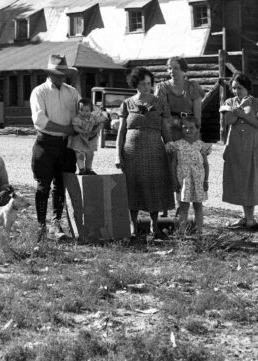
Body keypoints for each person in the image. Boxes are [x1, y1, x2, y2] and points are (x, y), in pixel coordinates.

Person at [116, 66, 176, 240]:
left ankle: (154, 226)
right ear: (135, 84)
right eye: (142, 83)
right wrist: (117, 155)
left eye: (149, 83)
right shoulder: (127, 103)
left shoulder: (159, 102)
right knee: (132, 188)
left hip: (155, 152)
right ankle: (133, 227)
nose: (146, 87)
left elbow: (165, 128)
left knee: (155, 187)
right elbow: (121, 132)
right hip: (132, 152)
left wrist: (170, 147)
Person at [30, 53, 80, 240]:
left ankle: (55, 224)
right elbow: (40, 120)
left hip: (66, 145)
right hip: (46, 142)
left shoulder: (72, 92)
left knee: (60, 185)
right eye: (57, 73)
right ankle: (41, 225)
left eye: (63, 74)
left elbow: (81, 112)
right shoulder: (39, 92)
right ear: (50, 73)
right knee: (43, 185)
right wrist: (67, 128)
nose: (61, 77)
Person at [220, 73, 258, 229]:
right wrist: (238, 114)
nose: (237, 91)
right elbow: (227, 121)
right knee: (239, 179)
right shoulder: (229, 102)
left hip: (252, 145)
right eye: (234, 88)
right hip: (235, 145)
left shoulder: (257, 102)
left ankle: (250, 218)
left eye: (240, 87)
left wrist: (242, 115)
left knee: (251, 178)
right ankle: (246, 217)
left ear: (247, 88)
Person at [165, 116, 211, 236]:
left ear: (197, 129)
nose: (188, 130)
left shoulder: (201, 145)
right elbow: (174, 164)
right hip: (183, 180)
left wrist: (206, 181)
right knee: (183, 207)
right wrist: (174, 181)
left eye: (191, 128)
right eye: (185, 128)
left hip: (198, 179)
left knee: (198, 206)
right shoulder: (177, 145)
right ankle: (182, 233)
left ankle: (200, 232)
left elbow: (205, 164)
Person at [155, 56, 205, 142]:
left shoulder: (192, 86)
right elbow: (162, 111)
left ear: (183, 70)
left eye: (176, 68)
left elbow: (197, 115)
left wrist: (196, 133)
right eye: (169, 68)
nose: (172, 71)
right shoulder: (163, 87)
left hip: (190, 127)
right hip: (170, 127)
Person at [69, 98, 106, 175]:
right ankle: (81, 169)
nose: (84, 113)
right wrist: (83, 131)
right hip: (80, 140)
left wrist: (96, 130)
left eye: (87, 111)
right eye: (81, 110)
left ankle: (88, 169)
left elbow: (102, 122)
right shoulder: (77, 118)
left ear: (91, 110)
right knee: (79, 155)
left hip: (91, 140)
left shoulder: (94, 117)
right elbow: (75, 128)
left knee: (90, 155)